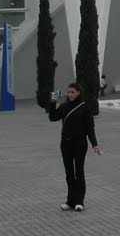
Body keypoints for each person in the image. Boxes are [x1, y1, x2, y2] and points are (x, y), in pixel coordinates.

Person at [47, 82, 101, 211]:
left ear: (78, 93)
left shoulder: (84, 108)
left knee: (79, 172)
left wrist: (94, 144)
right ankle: (70, 201)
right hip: (65, 143)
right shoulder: (64, 106)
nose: (70, 94)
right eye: (69, 92)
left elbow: (90, 129)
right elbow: (53, 117)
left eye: (72, 92)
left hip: (80, 144)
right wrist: (53, 103)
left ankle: (79, 201)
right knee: (69, 173)